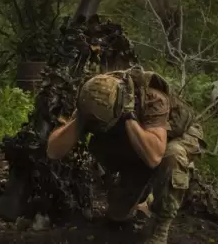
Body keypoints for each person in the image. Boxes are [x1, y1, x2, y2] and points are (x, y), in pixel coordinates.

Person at [46, 67, 204, 244]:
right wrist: (79, 121)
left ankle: (160, 225)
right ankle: (143, 195)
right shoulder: (93, 97)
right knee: (118, 215)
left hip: (176, 136)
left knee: (172, 156)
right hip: (141, 140)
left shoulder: (152, 97)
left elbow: (154, 157)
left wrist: (129, 116)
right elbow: (53, 151)